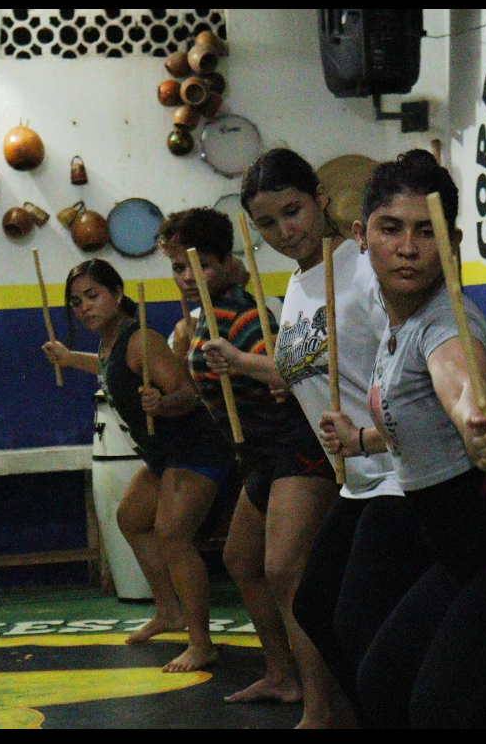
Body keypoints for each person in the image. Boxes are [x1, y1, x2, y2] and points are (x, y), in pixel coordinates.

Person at [319, 151, 486, 727]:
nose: (408, 247)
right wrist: (361, 440)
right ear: (361, 235)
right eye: (391, 229)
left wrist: (478, 427)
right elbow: (416, 424)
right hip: (465, 553)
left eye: (427, 232)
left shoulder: (448, 324)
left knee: (441, 712)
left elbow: (461, 389)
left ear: (452, 242)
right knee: (381, 684)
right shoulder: (398, 321)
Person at [216, 148, 430, 724]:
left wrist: (374, 432)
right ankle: (336, 710)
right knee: (318, 603)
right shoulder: (299, 284)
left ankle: (336, 714)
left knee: (352, 611)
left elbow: (411, 355)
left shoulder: (362, 265)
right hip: (356, 478)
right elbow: (305, 367)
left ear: (320, 198)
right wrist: (245, 364)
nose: (284, 231)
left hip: (401, 470)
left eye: (293, 212)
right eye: (266, 223)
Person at [158, 208, 338, 727]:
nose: (187, 277)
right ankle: (282, 674)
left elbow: (284, 377)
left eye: (200, 266)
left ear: (225, 262)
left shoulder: (244, 314)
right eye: (179, 268)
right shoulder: (204, 318)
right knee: (240, 560)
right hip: (258, 455)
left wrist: (240, 362)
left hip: (294, 448)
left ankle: (322, 707)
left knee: (285, 573)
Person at [42, 260, 236, 673]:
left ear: (117, 293)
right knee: (131, 518)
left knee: (173, 536)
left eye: (92, 296)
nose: (84, 307)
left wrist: (162, 404)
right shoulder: (110, 342)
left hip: (195, 448)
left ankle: (202, 644)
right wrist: (69, 358)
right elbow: (108, 369)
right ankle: (168, 612)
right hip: (165, 454)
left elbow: (187, 394)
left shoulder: (141, 339)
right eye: (76, 302)